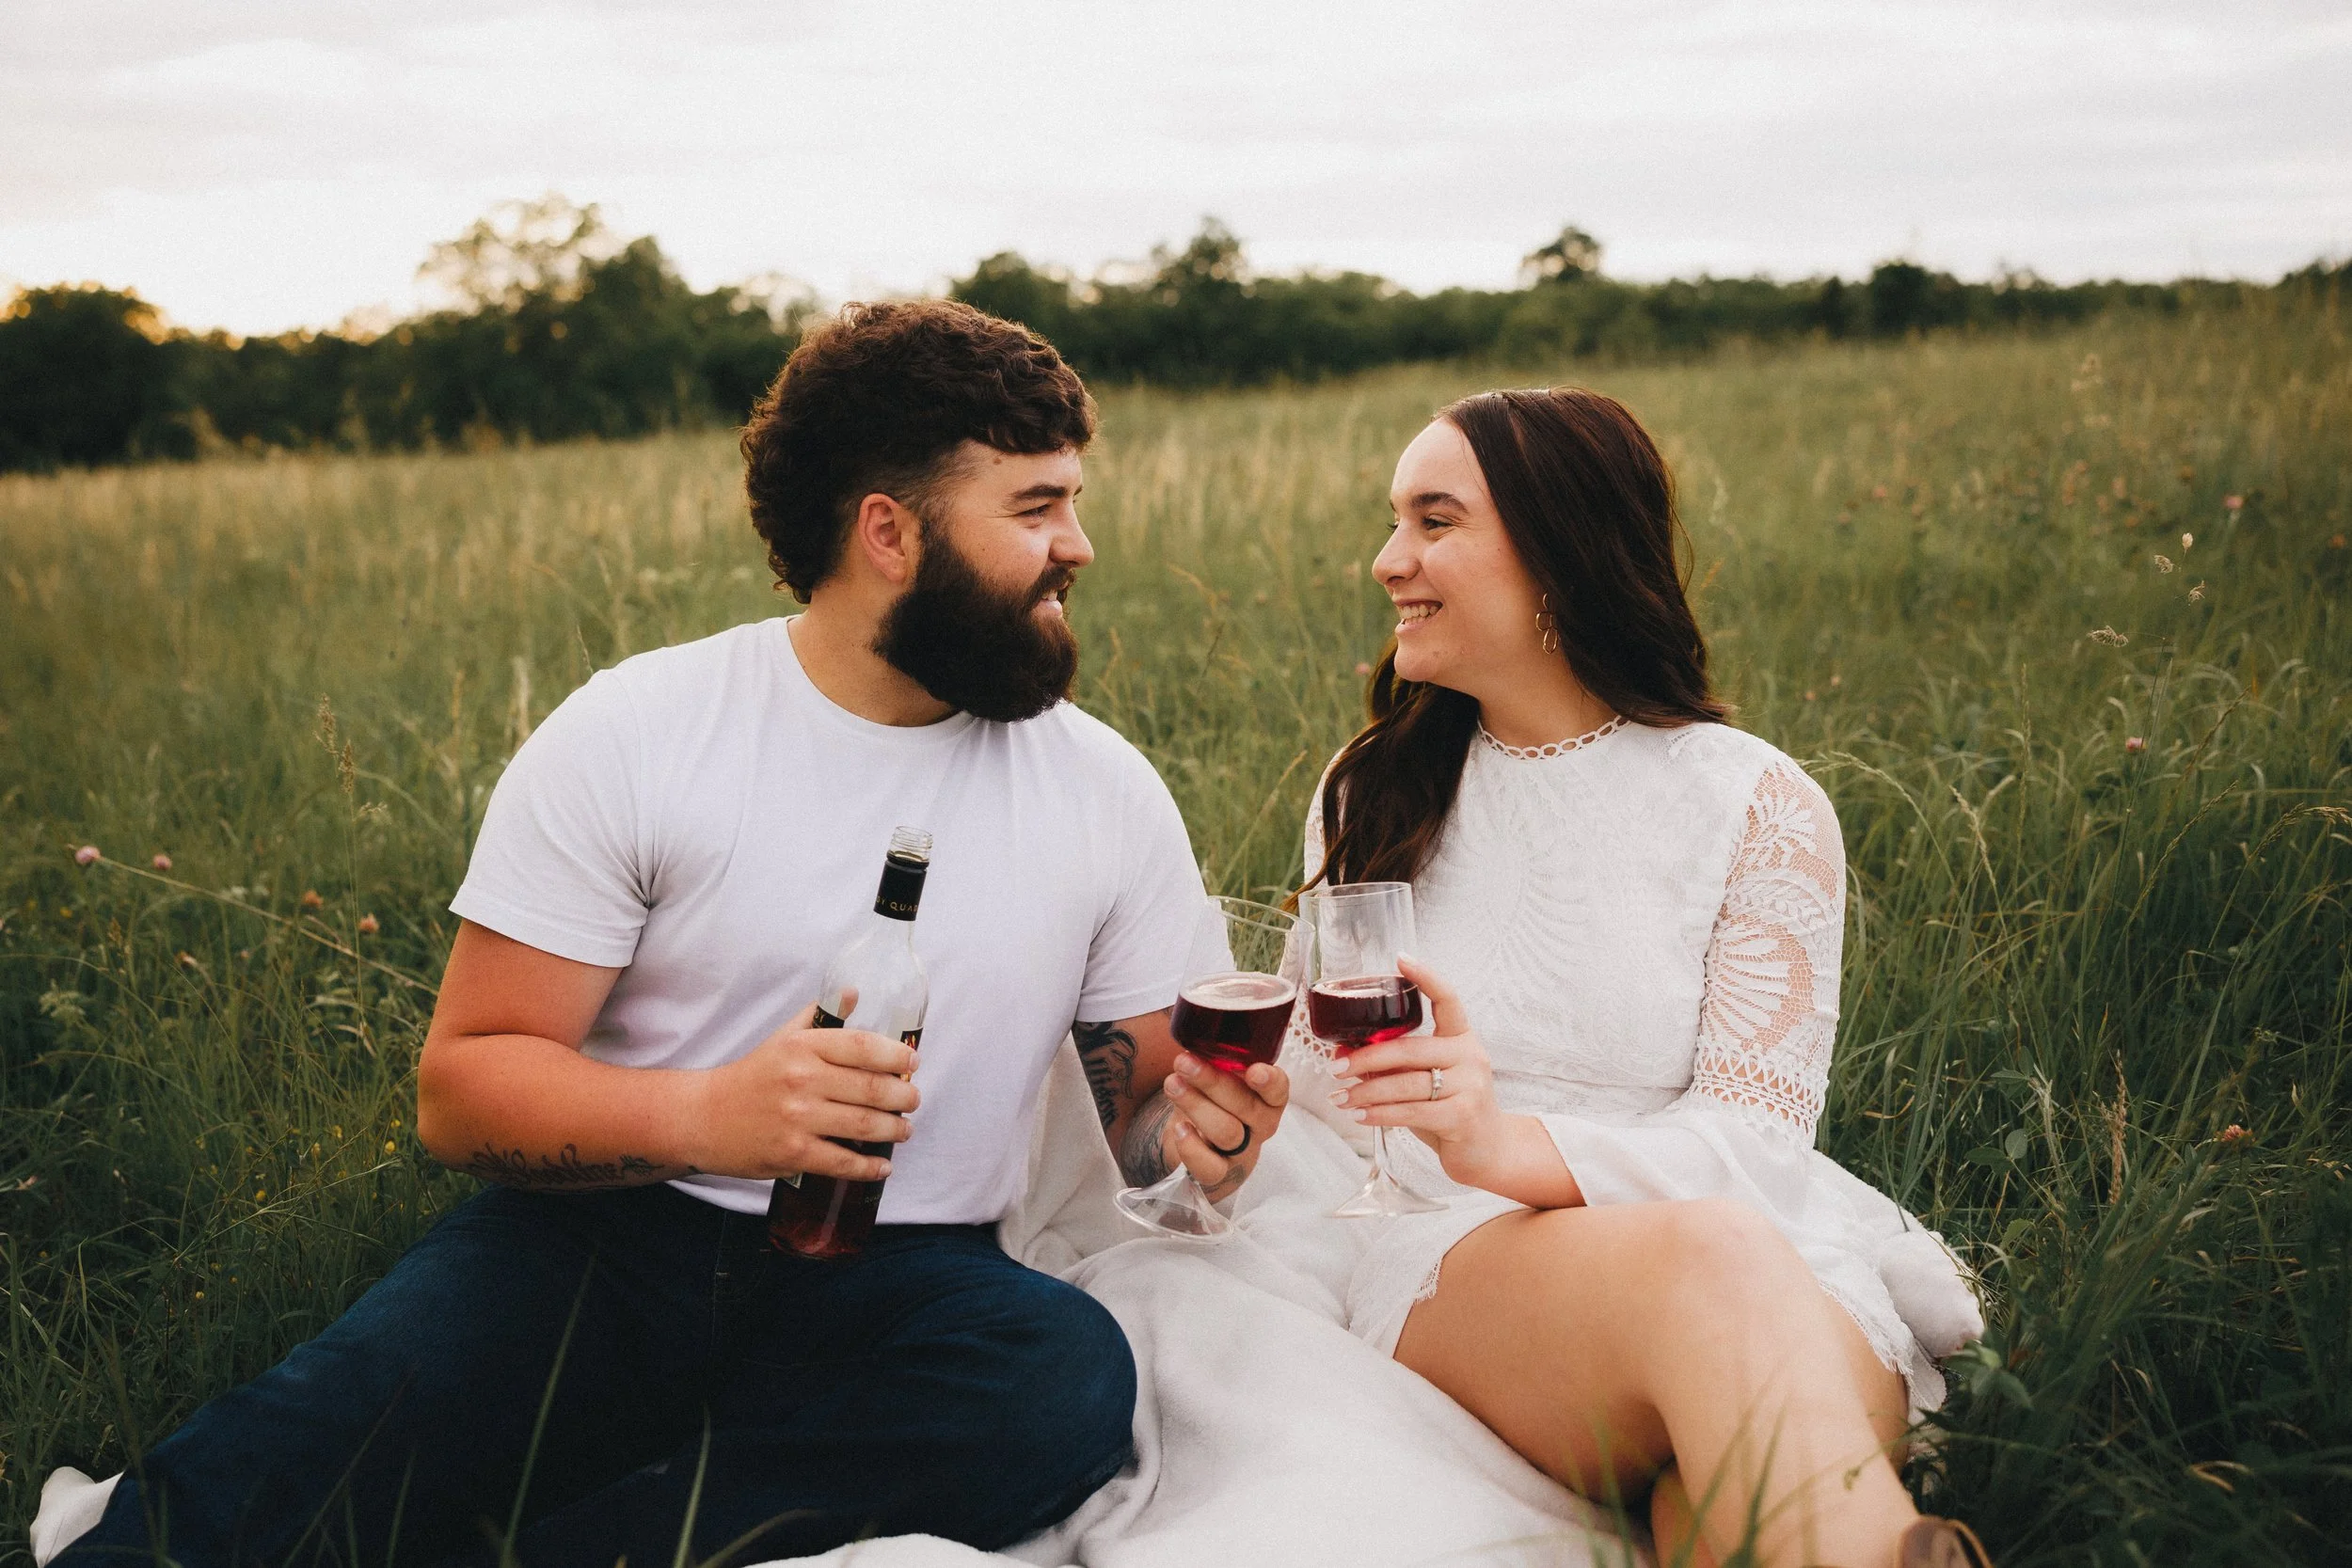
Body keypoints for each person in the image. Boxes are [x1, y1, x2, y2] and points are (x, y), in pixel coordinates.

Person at [54, 300, 1292, 1568]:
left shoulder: (1105, 786)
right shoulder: (644, 729)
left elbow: (1140, 1105)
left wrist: (1193, 1137)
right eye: (1036, 508)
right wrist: (714, 1117)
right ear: (888, 530)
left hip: (913, 1278)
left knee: (1062, 1382)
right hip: (609, 1240)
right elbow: (463, 1084)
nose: (1077, 544)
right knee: (297, 1455)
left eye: (1071, 502)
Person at [1241, 388, 1990, 1568]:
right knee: (1713, 1267)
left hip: (1758, 1242)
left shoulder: (1756, 801)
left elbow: (1753, 1148)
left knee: (1718, 1509)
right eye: (1395, 522)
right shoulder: (1371, 788)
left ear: (1558, 550)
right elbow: (1329, 1091)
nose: (1389, 561)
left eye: (1434, 522)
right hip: (1466, 1250)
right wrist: (1266, 1110)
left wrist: (1508, 1131)